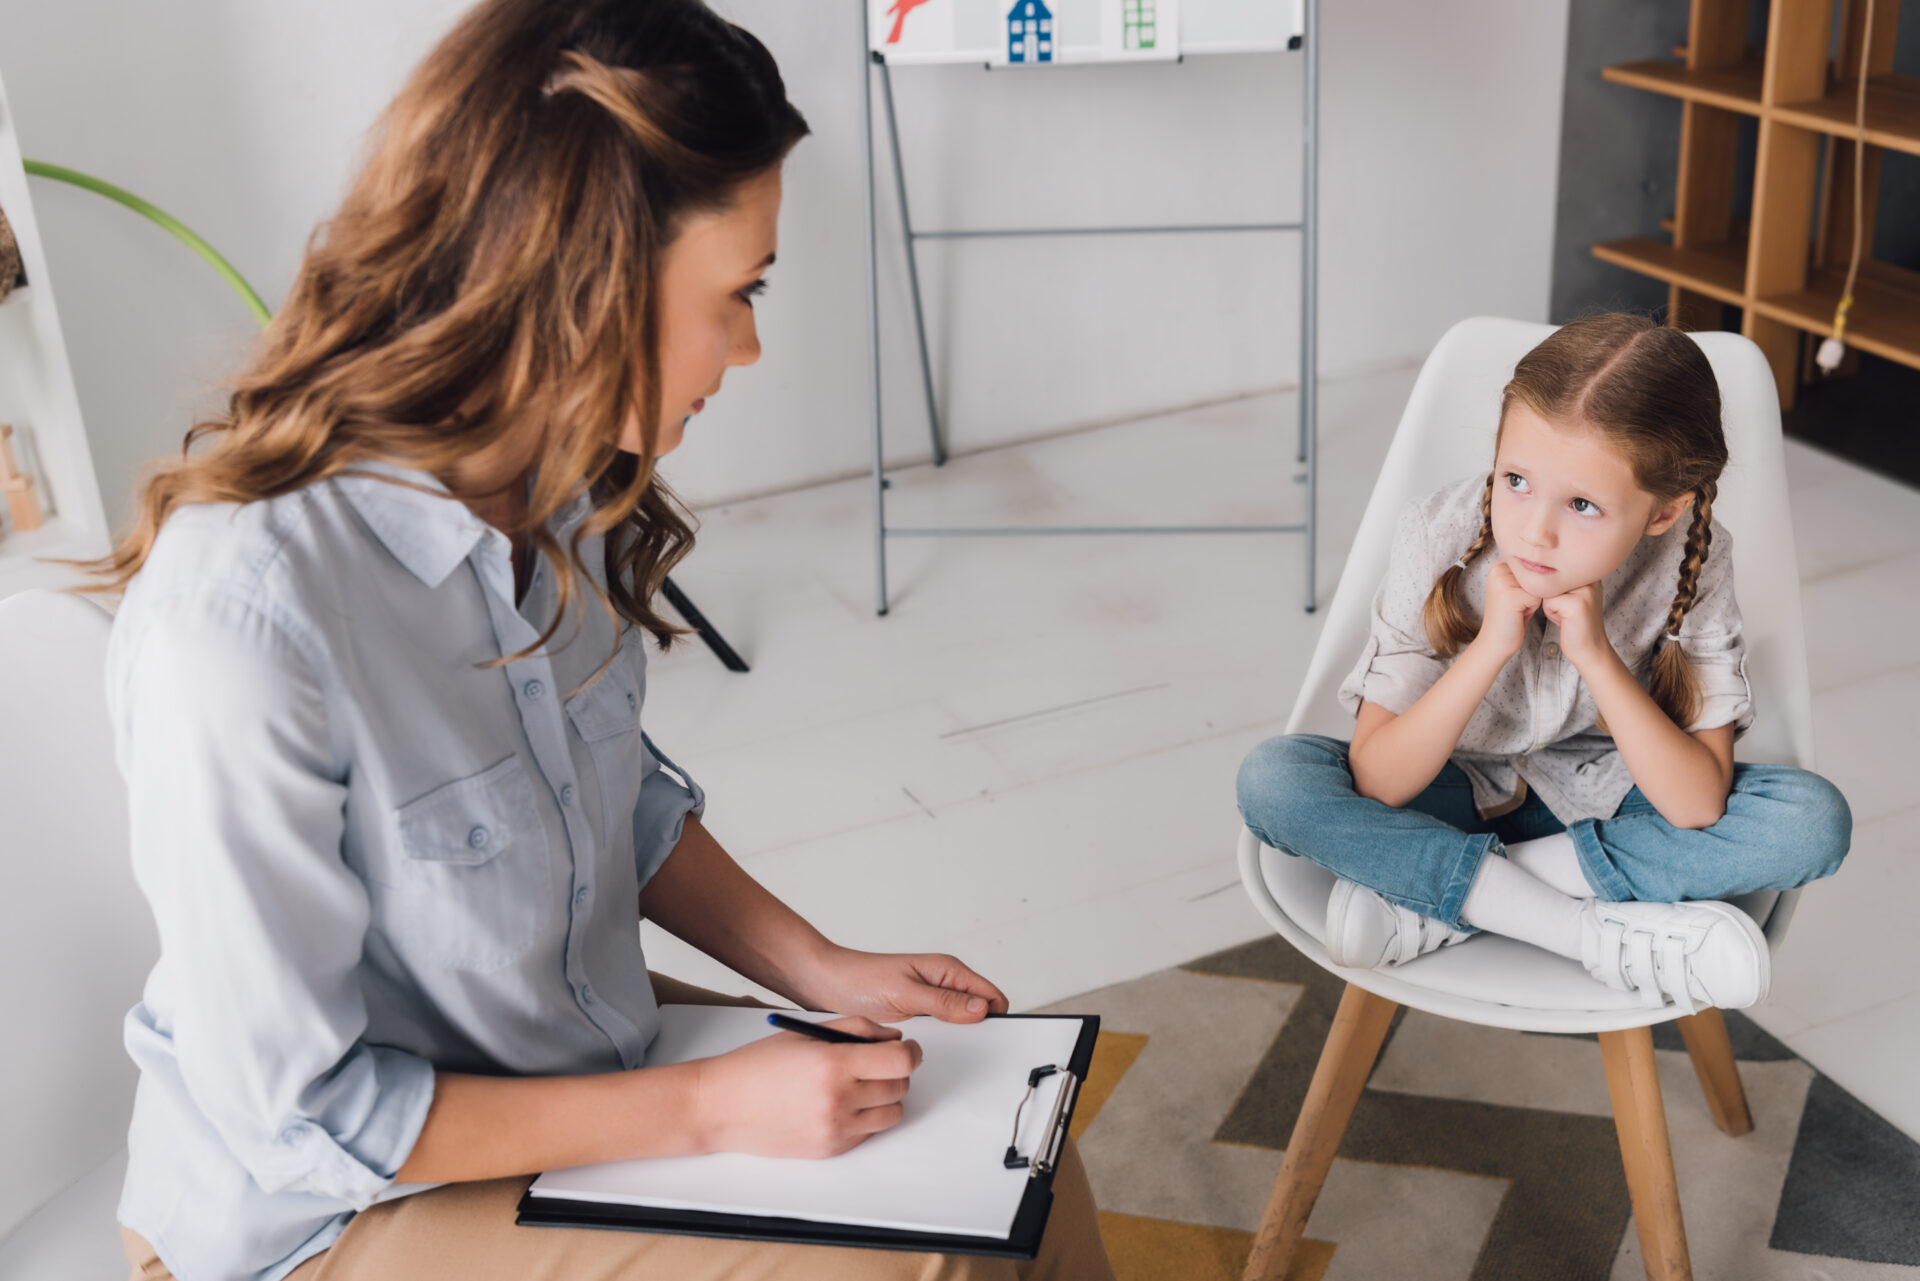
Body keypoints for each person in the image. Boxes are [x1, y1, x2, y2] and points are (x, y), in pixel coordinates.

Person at [97, 3, 1114, 1278]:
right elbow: (307, 1118)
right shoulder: (244, 621)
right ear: (584, 281)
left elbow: (608, 801)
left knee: (1014, 1145)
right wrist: (709, 1108)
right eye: (737, 294)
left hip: (561, 1065)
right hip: (324, 1216)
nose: (749, 348)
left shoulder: (553, 486)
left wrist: (820, 969)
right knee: (919, 1263)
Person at [1236, 313, 1851, 1012]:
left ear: (1661, 512)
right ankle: (1582, 930)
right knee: (1273, 780)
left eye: (1584, 504)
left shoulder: (1692, 556)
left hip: (1607, 807)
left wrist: (1596, 656)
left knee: (1811, 822)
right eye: (1516, 479)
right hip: (1446, 796)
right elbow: (1378, 781)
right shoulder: (1436, 531)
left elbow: (1695, 802)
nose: (1535, 529)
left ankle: (1442, 900)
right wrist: (1491, 645)